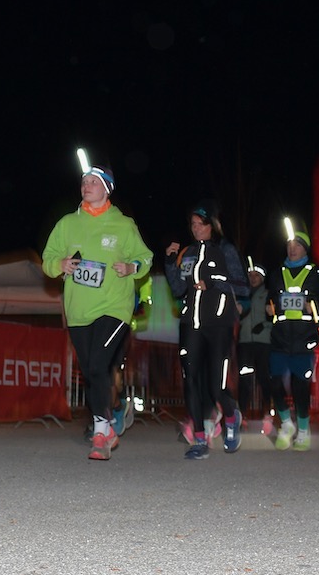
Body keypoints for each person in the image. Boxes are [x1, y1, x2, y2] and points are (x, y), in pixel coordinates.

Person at [42, 163, 152, 460]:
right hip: (79, 310)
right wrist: (60, 265)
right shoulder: (67, 224)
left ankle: (101, 431)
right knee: (92, 371)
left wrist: (132, 267)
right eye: (83, 181)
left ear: (107, 189)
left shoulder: (123, 225)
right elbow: (48, 258)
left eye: (93, 181)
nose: (86, 185)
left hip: (114, 306)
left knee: (97, 366)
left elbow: (146, 257)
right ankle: (108, 428)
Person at [164, 202, 249, 459]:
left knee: (215, 386)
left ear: (212, 225)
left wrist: (213, 281)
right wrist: (169, 263)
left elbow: (242, 286)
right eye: (192, 224)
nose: (196, 228)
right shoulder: (188, 253)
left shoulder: (225, 251)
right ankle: (199, 440)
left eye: (200, 224)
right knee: (190, 380)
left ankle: (231, 416)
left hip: (219, 324)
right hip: (191, 323)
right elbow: (178, 289)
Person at [267, 227, 319, 451]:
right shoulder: (276, 274)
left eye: (297, 245)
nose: (292, 249)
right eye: (289, 245)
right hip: (280, 338)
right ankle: (286, 424)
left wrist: (312, 307)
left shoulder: (316, 274)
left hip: (305, 339)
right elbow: (270, 302)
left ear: (305, 249)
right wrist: (269, 307)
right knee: (274, 383)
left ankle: (303, 429)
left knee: (300, 386)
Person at [236, 259, 273, 432]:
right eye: (250, 275)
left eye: (256, 275)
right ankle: (242, 414)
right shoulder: (242, 294)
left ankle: (268, 413)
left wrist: (265, 326)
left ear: (262, 277)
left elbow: (275, 316)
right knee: (244, 380)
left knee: (264, 379)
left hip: (263, 342)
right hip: (244, 342)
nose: (253, 278)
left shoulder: (268, 294)